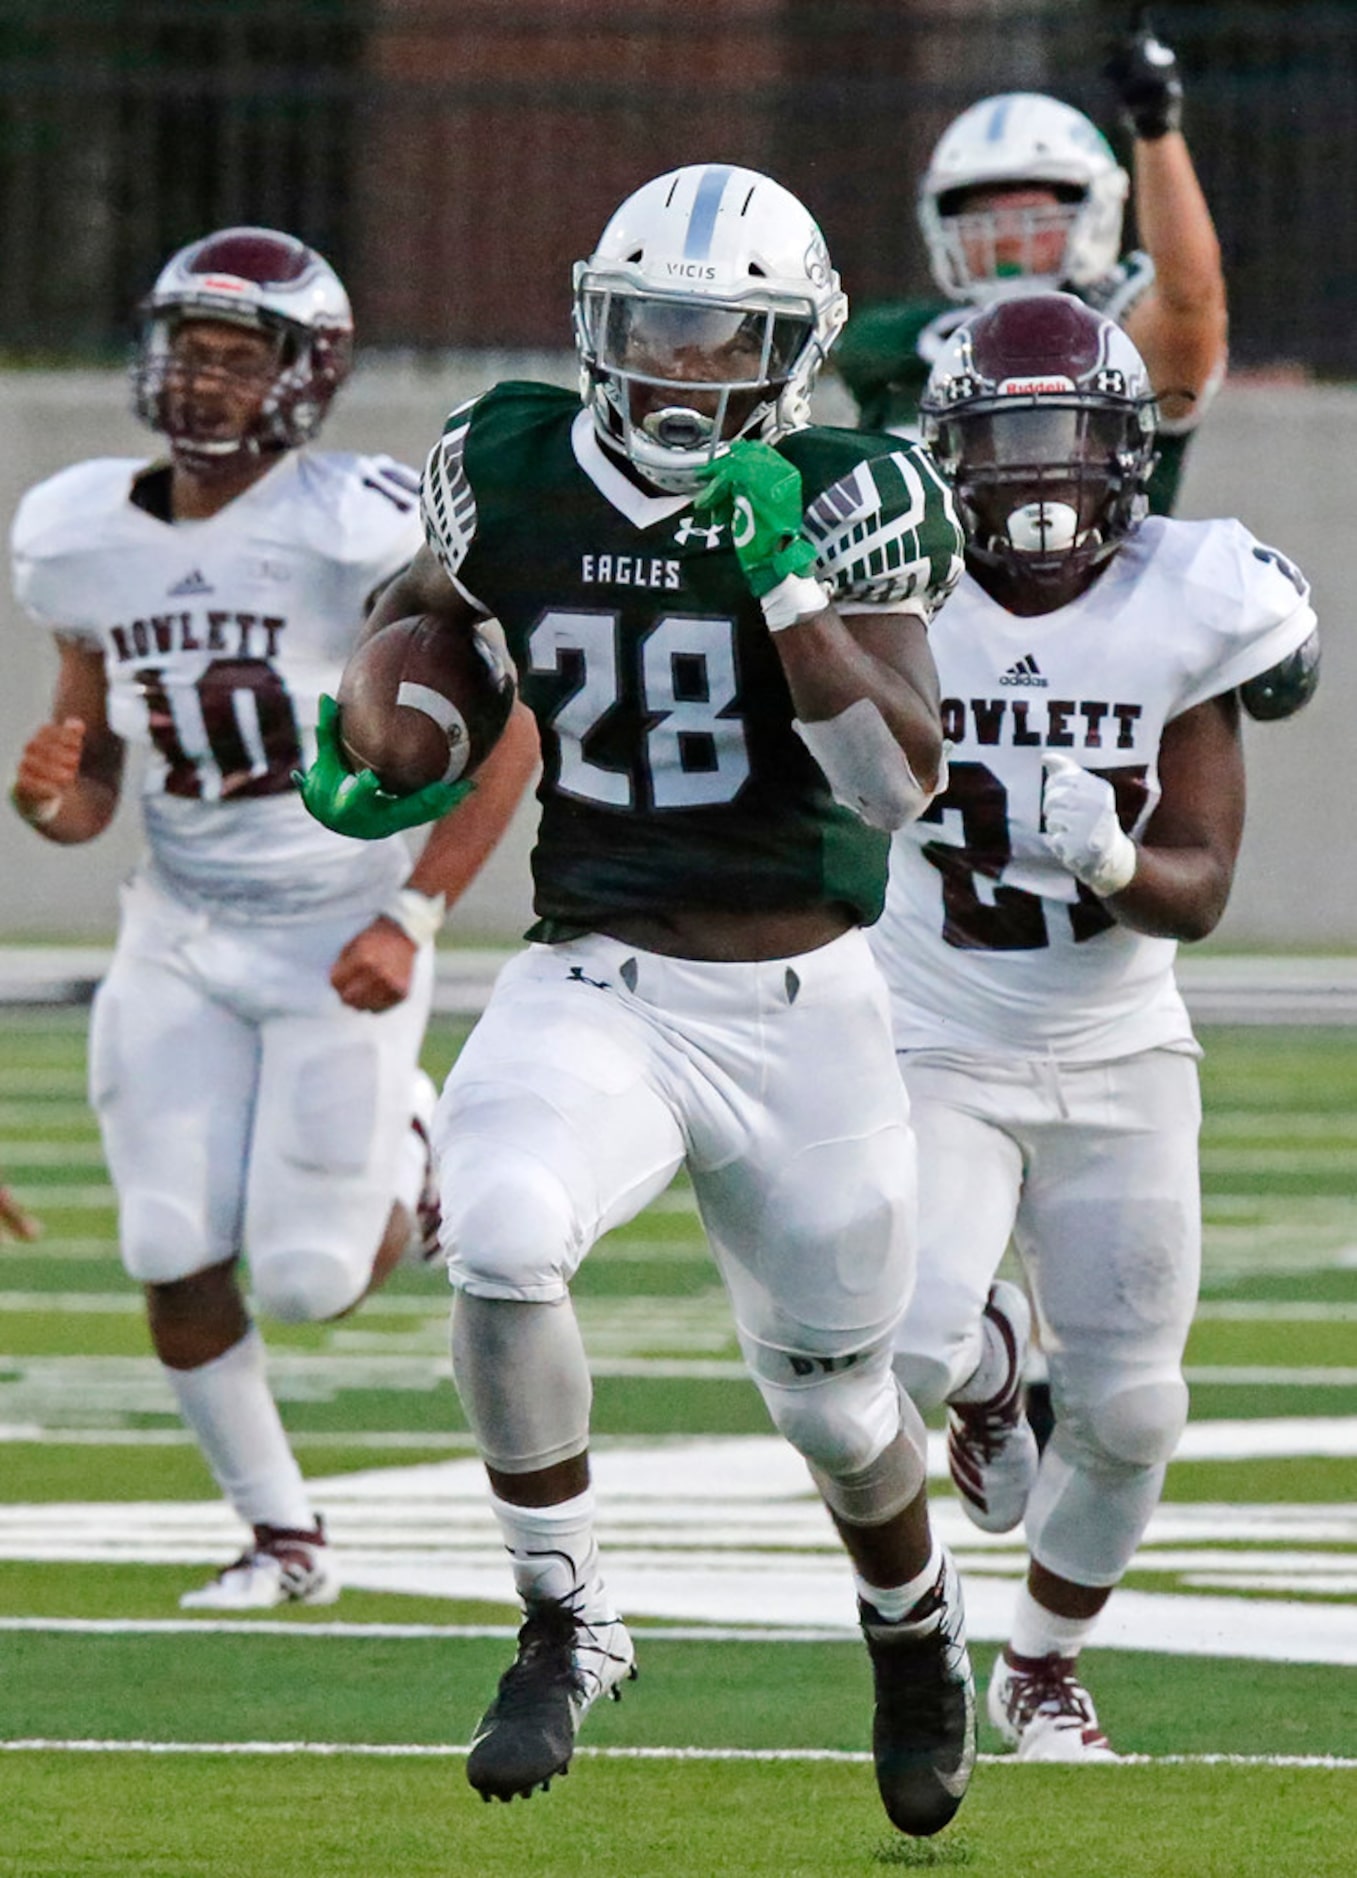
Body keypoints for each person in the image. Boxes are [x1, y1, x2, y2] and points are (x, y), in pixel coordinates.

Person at [300, 162, 975, 1836]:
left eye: (714, 334)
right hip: (593, 967)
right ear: (599, 323)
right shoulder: (509, 460)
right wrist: (378, 728)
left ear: (787, 347)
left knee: (834, 1392)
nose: (676, 366)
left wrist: (787, 589)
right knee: (504, 1228)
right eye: (650, 328)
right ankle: (565, 1611)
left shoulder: (852, 487)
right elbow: (425, 615)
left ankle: (915, 1632)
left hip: (804, 994)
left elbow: (894, 784)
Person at [8, 226, 539, 1611]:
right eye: (189, 350)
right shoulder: (74, 529)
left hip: (339, 930)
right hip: (179, 927)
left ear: (304, 379)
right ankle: (281, 1533)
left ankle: (417, 1136)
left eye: (239, 358)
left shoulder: (359, 522)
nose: (204, 383)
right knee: (162, 1238)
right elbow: (94, 775)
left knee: (307, 1278)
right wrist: (51, 794)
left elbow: (511, 731)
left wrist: (416, 916)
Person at [867, 291, 1318, 1760]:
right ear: (944, 456)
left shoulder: (1191, 601)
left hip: (1119, 1045)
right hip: (933, 1026)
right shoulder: (897, 583)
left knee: (1132, 1409)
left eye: (1065, 439)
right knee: (912, 1350)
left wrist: (1118, 862)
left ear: (1126, 453)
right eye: (1001, 443)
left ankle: (1042, 1662)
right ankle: (995, 1370)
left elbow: (1200, 887)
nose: (1036, 476)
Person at [835, 13, 1228, 519]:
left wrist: (1156, 130)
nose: (1004, 238)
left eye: (1033, 215)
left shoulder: (1116, 341)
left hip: (1099, 594)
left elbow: (1190, 300)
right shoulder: (899, 345)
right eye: (983, 216)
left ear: (1096, 213)